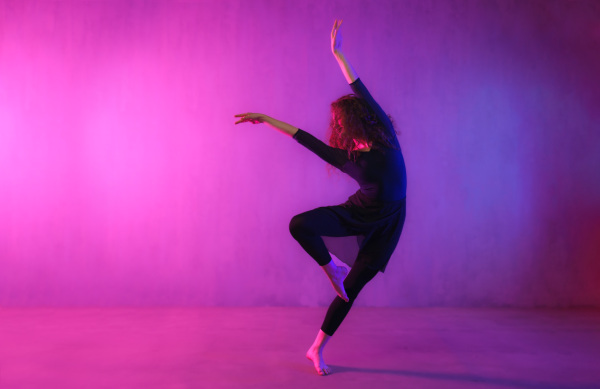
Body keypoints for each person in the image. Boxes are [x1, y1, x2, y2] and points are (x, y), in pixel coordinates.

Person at [234, 20, 407, 376]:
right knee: (300, 225)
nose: (339, 130)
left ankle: (317, 348)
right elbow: (306, 140)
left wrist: (339, 55)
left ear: (358, 123)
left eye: (343, 125)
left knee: (350, 291)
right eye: (338, 127)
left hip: (388, 221)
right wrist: (266, 119)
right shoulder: (347, 158)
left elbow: (360, 90)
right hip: (359, 212)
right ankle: (332, 266)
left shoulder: (387, 138)